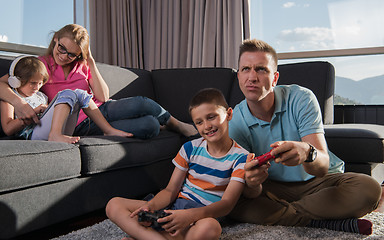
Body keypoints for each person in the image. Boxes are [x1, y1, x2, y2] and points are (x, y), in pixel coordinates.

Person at [228, 39, 382, 235]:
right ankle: (323, 221)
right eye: (245, 69)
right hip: (274, 188)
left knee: (369, 189)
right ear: (239, 75)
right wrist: (252, 183)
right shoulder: (234, 122)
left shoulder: (301, 98)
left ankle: (287, 215)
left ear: (274, 78)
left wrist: (308, 153)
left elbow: (322, 167)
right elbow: (250, 191)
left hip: (319, 183)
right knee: (230, 200)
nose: (252, 77)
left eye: (261, 69)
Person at [0, 24, 197, 140]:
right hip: (80, 124)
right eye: (61, 48)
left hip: (101, 109)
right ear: (56, 40)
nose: (64, 56)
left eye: (72, 54)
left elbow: (103, 97)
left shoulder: (82, 66)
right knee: (150, 127)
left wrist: (91, 62)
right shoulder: (39, 66)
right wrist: (20, 104)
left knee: (143, 103)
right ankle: (160, 124)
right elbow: (4, 83)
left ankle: (176, 124)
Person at [105, 88, 252, 240]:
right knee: (113, 205)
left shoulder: (241, 158)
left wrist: (189, 216)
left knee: (211, 228)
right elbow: (170, 191)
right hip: (173, 208)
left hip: (202, 217)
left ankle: (147, 236)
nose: (207, 126)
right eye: (199, 122)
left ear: (228, 114)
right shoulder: (190, 148)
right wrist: (151, 206)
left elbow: (227, 204)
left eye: (211, 117)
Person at [1, 55, 131, 143]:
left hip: (56, 128)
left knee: (80, 94)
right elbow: (8, 129)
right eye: (32, 83)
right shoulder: (11, 97)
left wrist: (47, 109)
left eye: (40, 83)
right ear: (17, 81)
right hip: (33, 135)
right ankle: (55, 135)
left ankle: (107, 130)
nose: (37, 87)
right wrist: (33, 112)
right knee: (67, 93)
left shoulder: (41, 96)